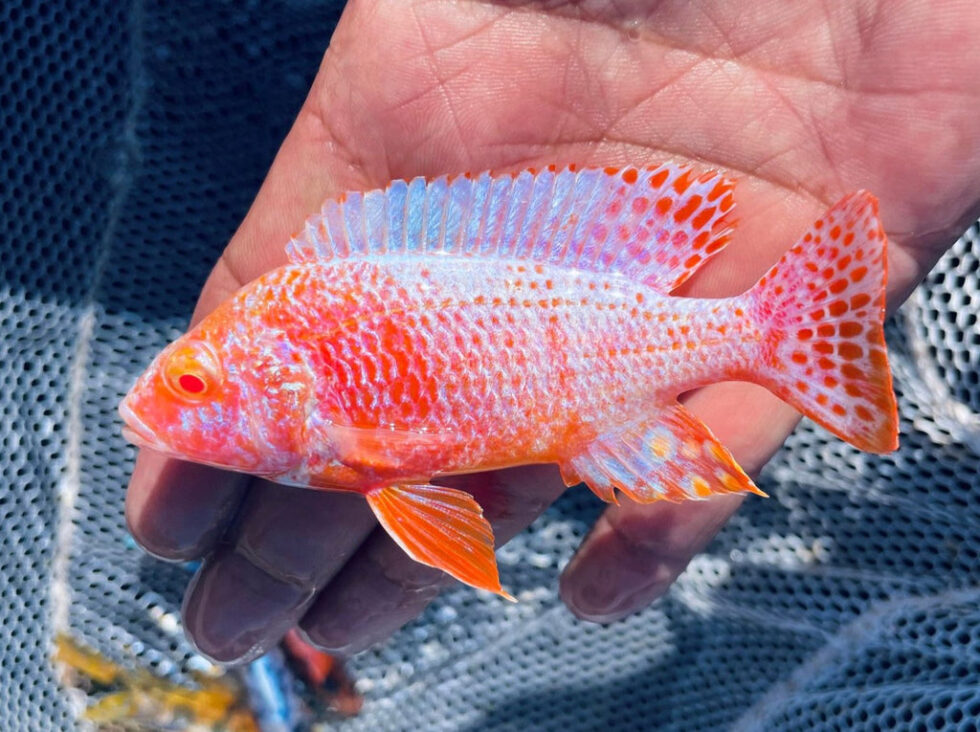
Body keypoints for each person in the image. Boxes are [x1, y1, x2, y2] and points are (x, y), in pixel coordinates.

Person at [125, 0, 980, 663]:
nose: (172, 404)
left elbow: (413, 494)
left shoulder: (317, 364)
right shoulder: (301, 339)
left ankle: (772, 337)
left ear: (286, 376)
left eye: (196, 387)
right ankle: (776, 339)